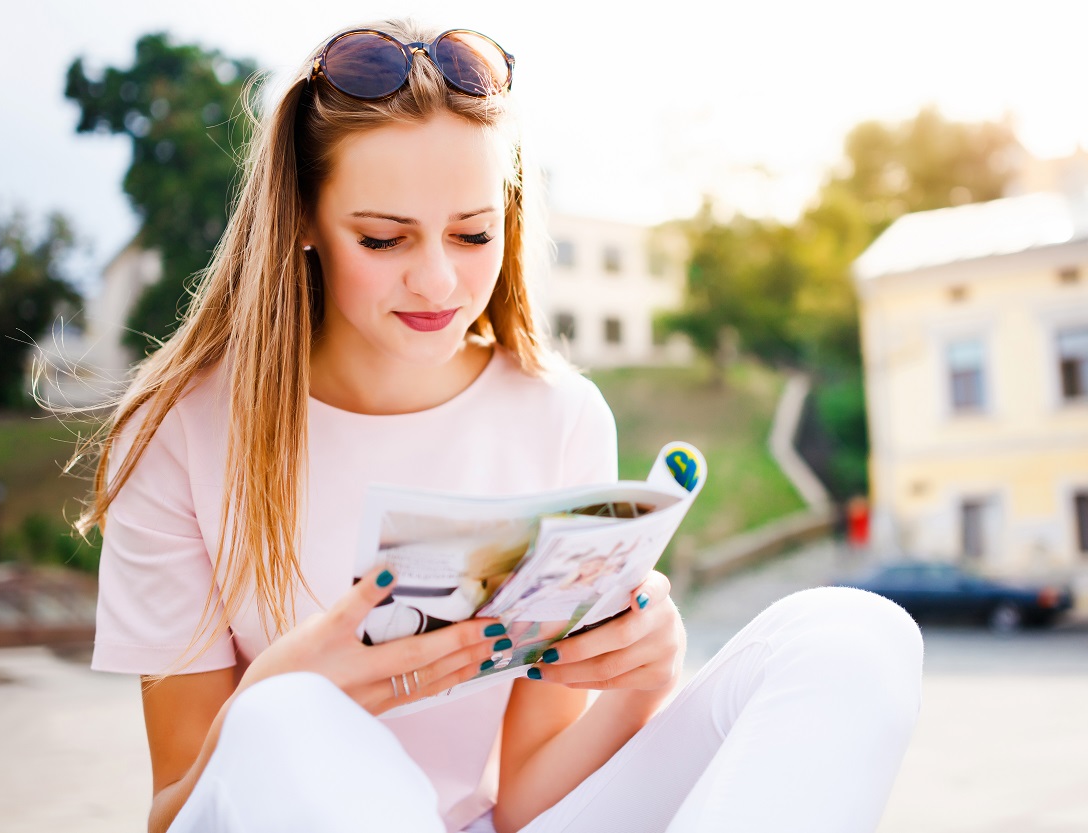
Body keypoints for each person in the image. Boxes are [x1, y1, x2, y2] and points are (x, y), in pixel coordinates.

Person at [83, 18, 924, 833]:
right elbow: (176, 814)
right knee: (288, 719)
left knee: (854, 637)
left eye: (474, 233)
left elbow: (525, 802)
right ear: (302, 218)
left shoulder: (556, 416)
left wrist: (642, 681)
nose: (439, 280)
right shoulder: (178, 432)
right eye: (384, 240)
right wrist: (281, 685)